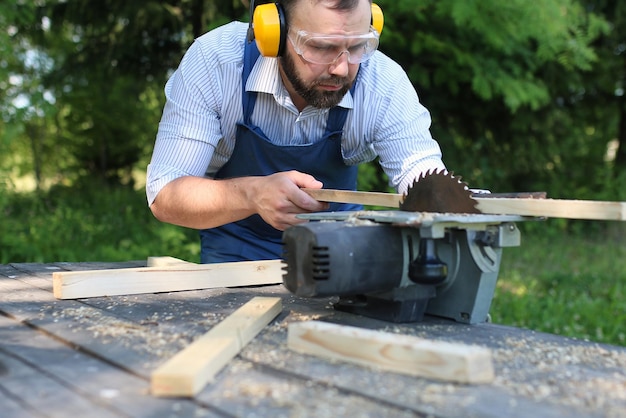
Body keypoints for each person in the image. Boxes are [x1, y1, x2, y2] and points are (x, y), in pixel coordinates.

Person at [146, 0, 447, 263]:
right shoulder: (215, 64)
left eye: (356, 47)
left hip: (340, 252)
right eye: (321, 47)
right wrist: (253, 194)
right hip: (236, 254)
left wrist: (455, 202)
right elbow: (165, 195)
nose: (341, 69)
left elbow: (425, 178)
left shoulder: (383, 83)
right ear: (273, 34)